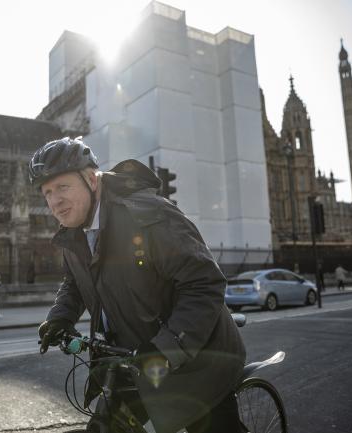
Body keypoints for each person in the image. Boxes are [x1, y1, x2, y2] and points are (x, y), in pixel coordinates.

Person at [30, 137, 246, 433]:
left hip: (197, 360)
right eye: (47, 193)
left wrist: (165, 348)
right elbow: (76, 281)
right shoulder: (73, 232)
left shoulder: (148, 216)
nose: (55, 201)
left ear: (92, 180)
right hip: (130, 360)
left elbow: (204, 283)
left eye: (63, 187)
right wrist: (60, 318)